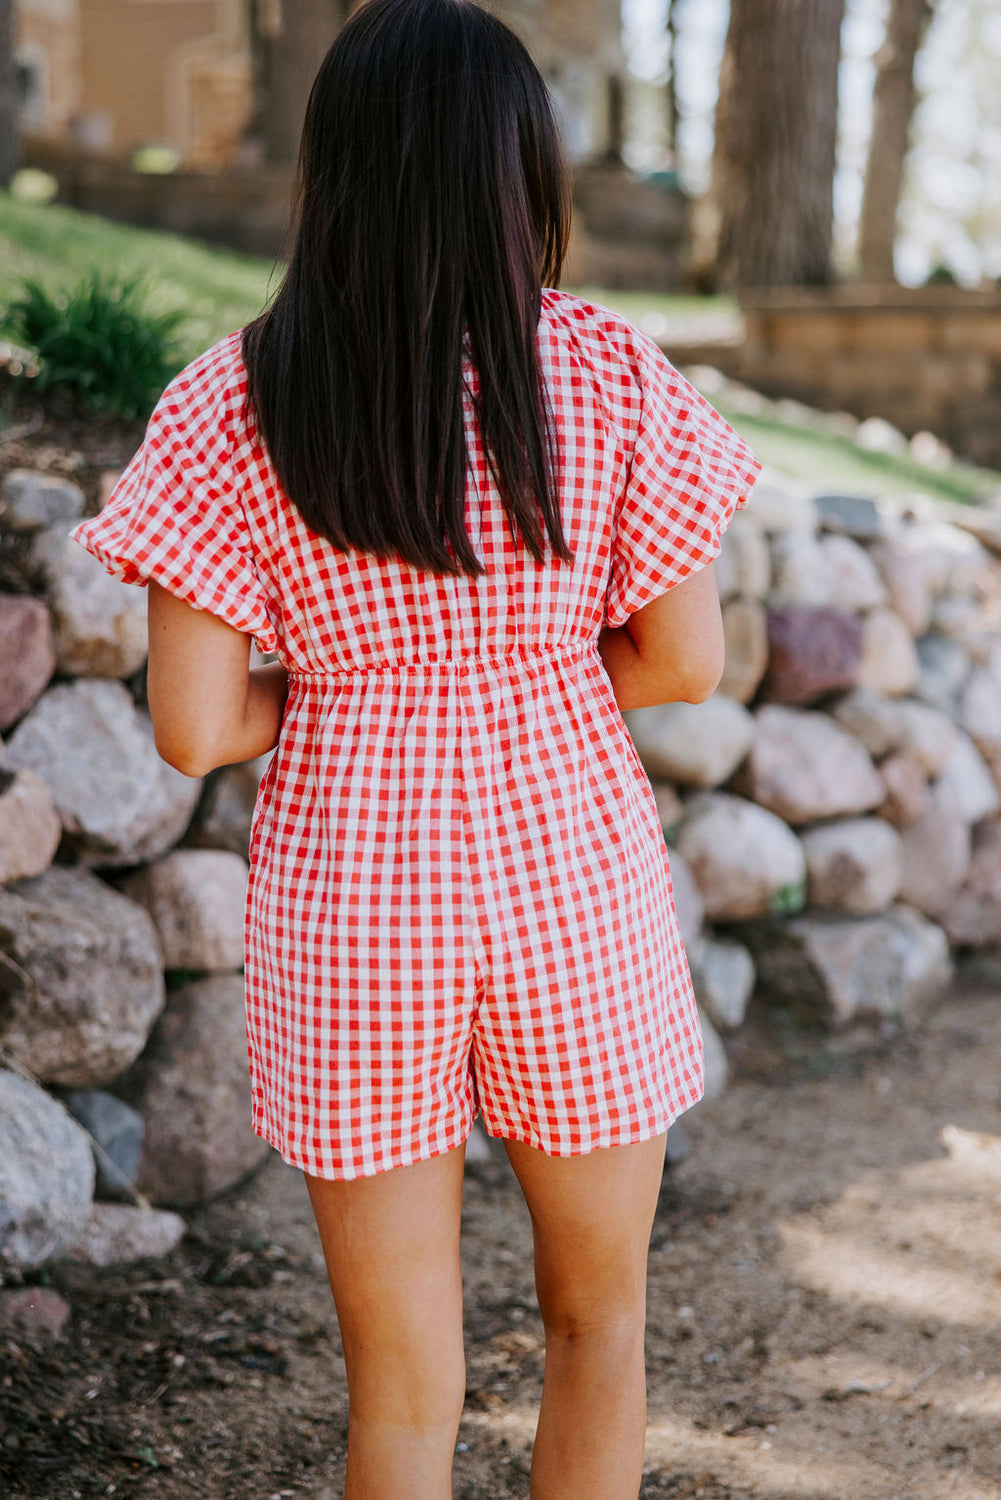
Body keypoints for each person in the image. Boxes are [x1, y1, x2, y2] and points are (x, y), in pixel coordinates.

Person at [70, 1, 760, 1494]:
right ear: (527, 177)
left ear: (333, 174)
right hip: (569, 874)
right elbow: (686, 661)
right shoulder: (607, 369)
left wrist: (353, 691)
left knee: (395, 1388)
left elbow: (190, 727)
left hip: (354, 906)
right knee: (600, 1324)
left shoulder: (230, 397)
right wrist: (511, 681)